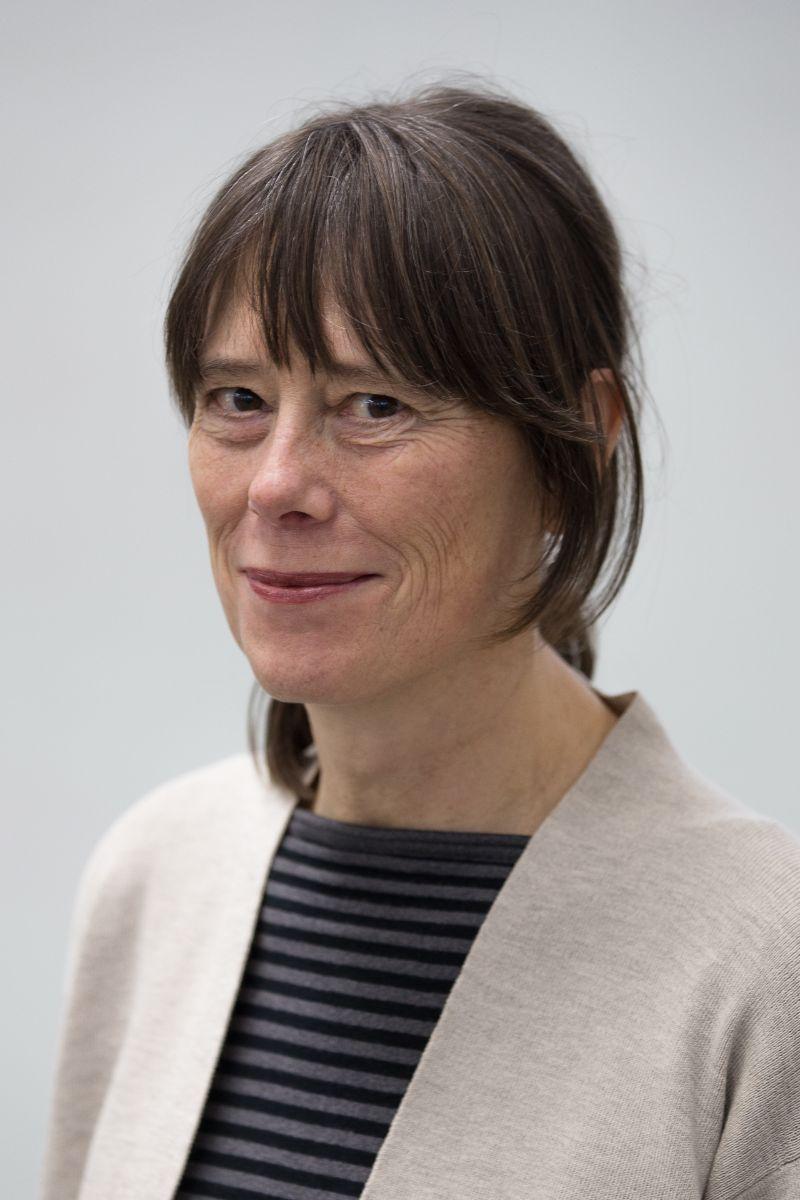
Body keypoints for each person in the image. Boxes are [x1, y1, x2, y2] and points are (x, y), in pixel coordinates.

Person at [39, 80, 800, 1200]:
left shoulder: (759, 964)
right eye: (238, 398)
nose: (279, 484)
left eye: (375, 406)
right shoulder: (155, 879)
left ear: (577, 444)